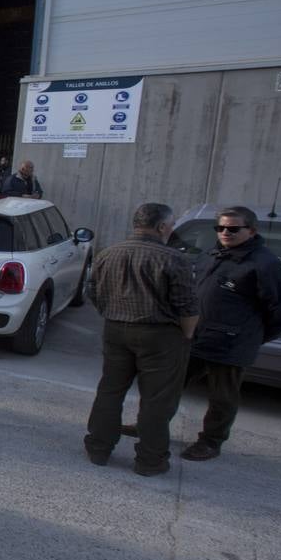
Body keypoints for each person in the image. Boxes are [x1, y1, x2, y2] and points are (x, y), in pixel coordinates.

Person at [82, 203, 198, 476]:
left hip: (116, 328)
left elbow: (93, 291)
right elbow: (187, 306)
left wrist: (111, 312)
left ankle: (98, 447)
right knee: (157, 399)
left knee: (110, 390)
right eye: (170, 227)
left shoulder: (108, 252)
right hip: (159, 334)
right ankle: (150, 460)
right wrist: (187, 334)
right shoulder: (173, 259)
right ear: (161, 227)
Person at [181, 206, 281, 461]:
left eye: (233, 229)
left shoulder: (265, 265)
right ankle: (150, 425)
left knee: (222, 398)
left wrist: (252, 336)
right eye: (221, 228)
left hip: (231, 345)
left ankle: (211, 441)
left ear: (252, 230)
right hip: (198, 337)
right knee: (170, 384)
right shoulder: (211, 255)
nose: (226, 232)